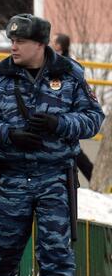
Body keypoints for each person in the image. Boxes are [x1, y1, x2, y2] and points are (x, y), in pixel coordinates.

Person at [0, 14, 103, 276]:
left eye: (21, 42)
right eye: (11, 40)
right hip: (12, 175)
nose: (13, 46)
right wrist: (9, 133)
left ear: (40, 45)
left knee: (56, 249)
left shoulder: (69, 75)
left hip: (53, 175)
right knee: (3, 246)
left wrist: (61, 125)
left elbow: (93, 118)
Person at [51, 33, 93, 181]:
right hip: (64, 114)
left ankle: (91, 176)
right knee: (75, 151)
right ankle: (90, 175)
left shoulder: (63, 63)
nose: (51, 42)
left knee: (74, 150)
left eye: (54, 41)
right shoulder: (58, 60)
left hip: (65, 113)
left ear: (59, 45)